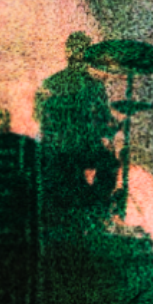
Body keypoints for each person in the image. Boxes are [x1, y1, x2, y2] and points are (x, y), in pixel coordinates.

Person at [35, 32, 123, 230]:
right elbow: (104, 121)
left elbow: (39, 118)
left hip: (55, 149)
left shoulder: (50, 83)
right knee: (109, 163)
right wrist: (116, 126)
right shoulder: (94, 86)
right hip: (82, 148)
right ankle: (96, 205)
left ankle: (89, 205)